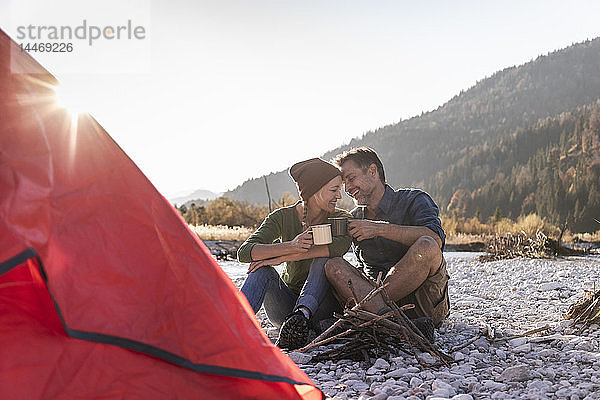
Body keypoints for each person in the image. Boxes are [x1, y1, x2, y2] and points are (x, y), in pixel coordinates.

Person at [324, 147, 449, 342]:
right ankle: (394, 324)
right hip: (376, 297)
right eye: (343, 183)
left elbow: (435, 239)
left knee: (426, 245)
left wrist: (378, 229)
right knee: (333, 265)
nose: (347, 188)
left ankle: (368, 318)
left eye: (351, 178)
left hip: (421, 305)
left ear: (372, 171)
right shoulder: (353, 219)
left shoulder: (414, 199)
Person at [237, 158, 352, 350]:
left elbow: (339, 248)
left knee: (324, 258)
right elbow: (245, 252)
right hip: (285, 308)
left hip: (324, 308)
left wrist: (280, 258)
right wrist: (290, 246)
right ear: (314, 191)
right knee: (261, 270)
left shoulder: (340, 218)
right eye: (334, 190)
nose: (339, 196)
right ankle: (232, 325)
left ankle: (302, 316)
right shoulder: (281, 217)